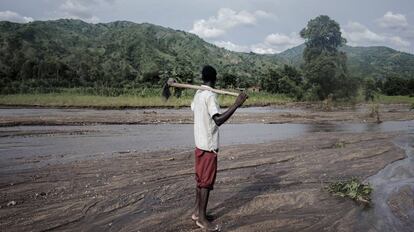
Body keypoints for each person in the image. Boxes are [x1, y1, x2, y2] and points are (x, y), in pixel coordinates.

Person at [190, 65, 248, 231]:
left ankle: (196, 212)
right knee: (206, 183)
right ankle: (201, 219)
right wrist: (236, 104)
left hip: (199, 144)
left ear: (203, 78)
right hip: (208, 147)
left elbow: (194, 109)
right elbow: (218, 120)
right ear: (215, 78)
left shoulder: (198, 93)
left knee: (200, 181)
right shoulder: (209, 95)